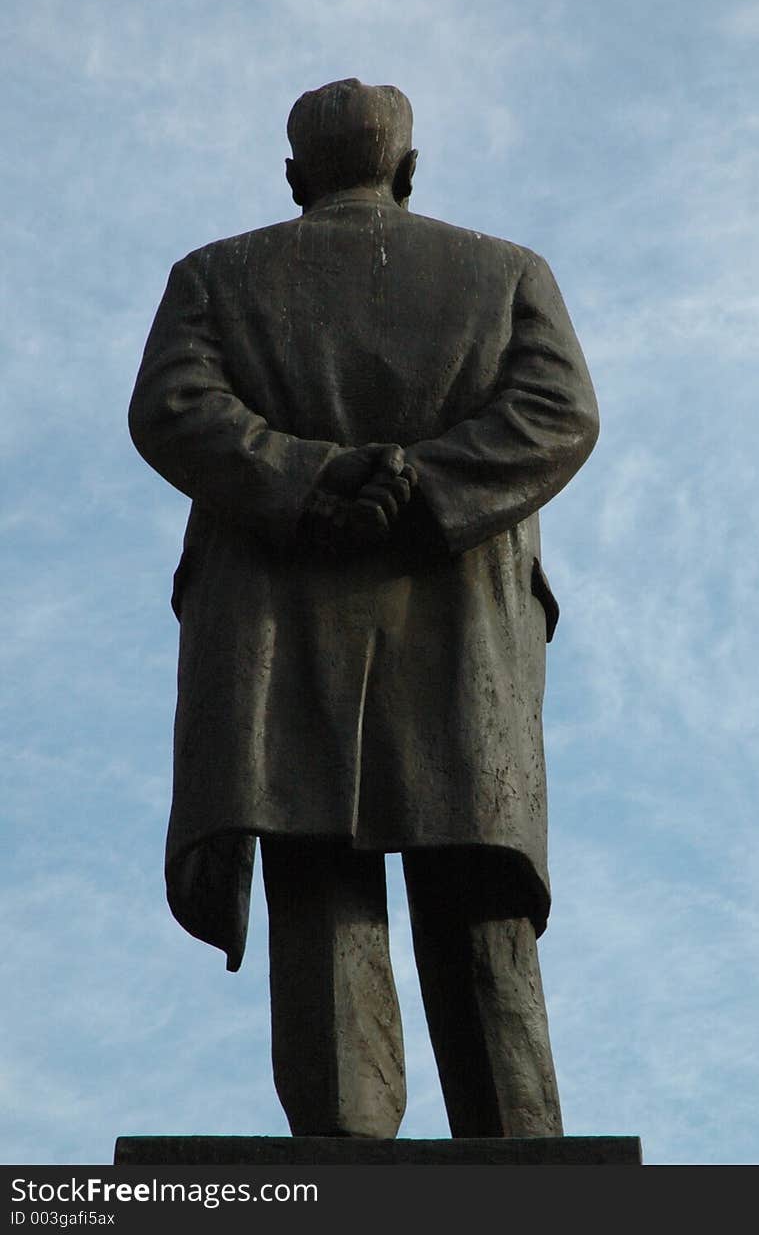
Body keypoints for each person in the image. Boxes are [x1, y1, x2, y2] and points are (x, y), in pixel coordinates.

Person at [129, 78, 599, 1139]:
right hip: (460, 630)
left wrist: (305, 478)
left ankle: (341, 1152)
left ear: (296, 179)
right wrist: (427, 486)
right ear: (409, 170)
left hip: (278, 633)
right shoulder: (505, 272)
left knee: (318, 879)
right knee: (476, 892)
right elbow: (558, 412)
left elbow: (174, 408)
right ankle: (523, 1151)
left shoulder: (213, 278)